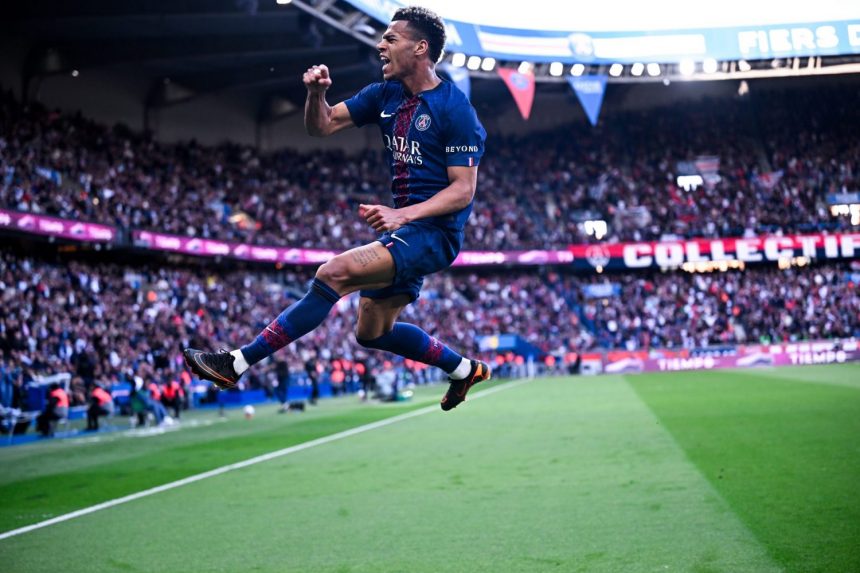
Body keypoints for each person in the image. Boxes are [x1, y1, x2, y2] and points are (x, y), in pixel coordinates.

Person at [184, 5, 490, 411]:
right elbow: (322, 125)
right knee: (372, 332)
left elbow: (463, 190)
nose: (380, 45)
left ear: (420, 48)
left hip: (435, 233)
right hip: (405, 231)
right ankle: (464, 369)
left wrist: (403, 214)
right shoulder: (384, 95)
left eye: (391, 38)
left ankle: (235, 363)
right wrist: (316, 95)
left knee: (333, 273)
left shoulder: (454, 107)